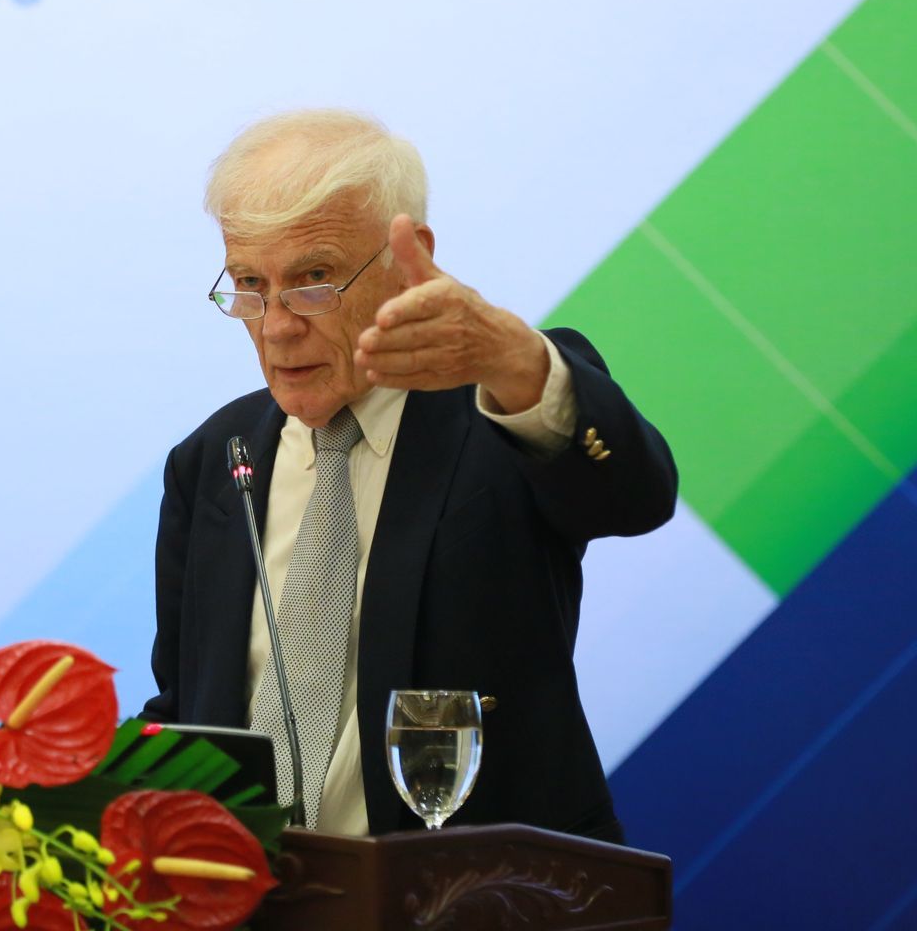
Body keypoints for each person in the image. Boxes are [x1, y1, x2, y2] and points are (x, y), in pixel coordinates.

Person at [142, 110, 677, 843]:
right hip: (253, 892)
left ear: (406, 258)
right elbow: (186, 708)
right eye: (249, 284)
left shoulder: (501, 410)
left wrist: (515, 359)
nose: (277, 325)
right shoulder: (212, 459)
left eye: (314, 279)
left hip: (480, 888)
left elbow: (636, 498)